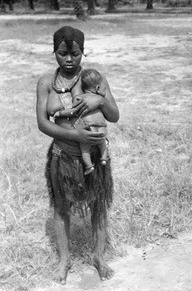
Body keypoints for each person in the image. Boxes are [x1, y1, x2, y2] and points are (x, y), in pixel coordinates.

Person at [36, 26, 119, 285]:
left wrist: (99, 101)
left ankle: (99, 257)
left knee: (98, 204)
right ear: (55, 52)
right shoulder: (46, 83)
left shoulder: (93, 78)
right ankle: (64, 260)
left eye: (75, 54)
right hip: (62, 155)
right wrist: (76, 137)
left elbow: (114, 115)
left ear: (83, 52)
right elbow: (42, 123)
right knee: (61, 208)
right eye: (62, 53)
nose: (69, 59)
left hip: (94, 156)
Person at [54, 68, 108, 175]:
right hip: (101, 131)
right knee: (103, 145)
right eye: (104, 88)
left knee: (85, 150)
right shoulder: (99, 100)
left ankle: (89, 166)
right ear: (97, 88)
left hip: (89, 131)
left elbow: (73, 112)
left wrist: (60, 113)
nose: (105, 91)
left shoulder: (80, 99)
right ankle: (104, 159)